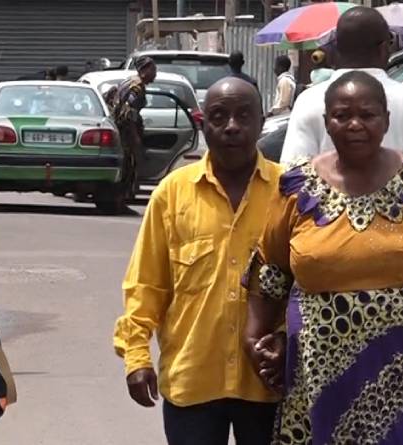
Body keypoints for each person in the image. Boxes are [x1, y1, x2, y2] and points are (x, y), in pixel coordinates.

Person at [244, 71, 403, 444]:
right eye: (342, 115)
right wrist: (254, 338)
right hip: (320, 369)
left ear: (386, 120)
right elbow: (272, 271)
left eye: (368, 114)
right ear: (327, 122)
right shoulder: (296, 186)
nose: (355, 124)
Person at [114, 78, 281, 445]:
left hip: (270, 383)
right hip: (193, 380)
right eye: (219, 116)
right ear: (203, 123)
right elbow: (146, 284)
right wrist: (136, 356)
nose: (232, 126)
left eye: (243, 115)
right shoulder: (172, 194)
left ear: (261, 121)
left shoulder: (289, 193)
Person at [280, 6, 403, 166]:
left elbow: (292, 172)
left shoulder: (307, 101)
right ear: (383, 48)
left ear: (336, 48)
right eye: (342, 116)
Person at [107, 56, 157, 198]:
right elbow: (128, 113)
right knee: (129, 164)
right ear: (144, 70)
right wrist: (135, 136)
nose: (155, 74)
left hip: (119, 129)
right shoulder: (137, 87)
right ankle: (123, 196)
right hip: (125, 133)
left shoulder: (129, 81)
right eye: (153, 70)